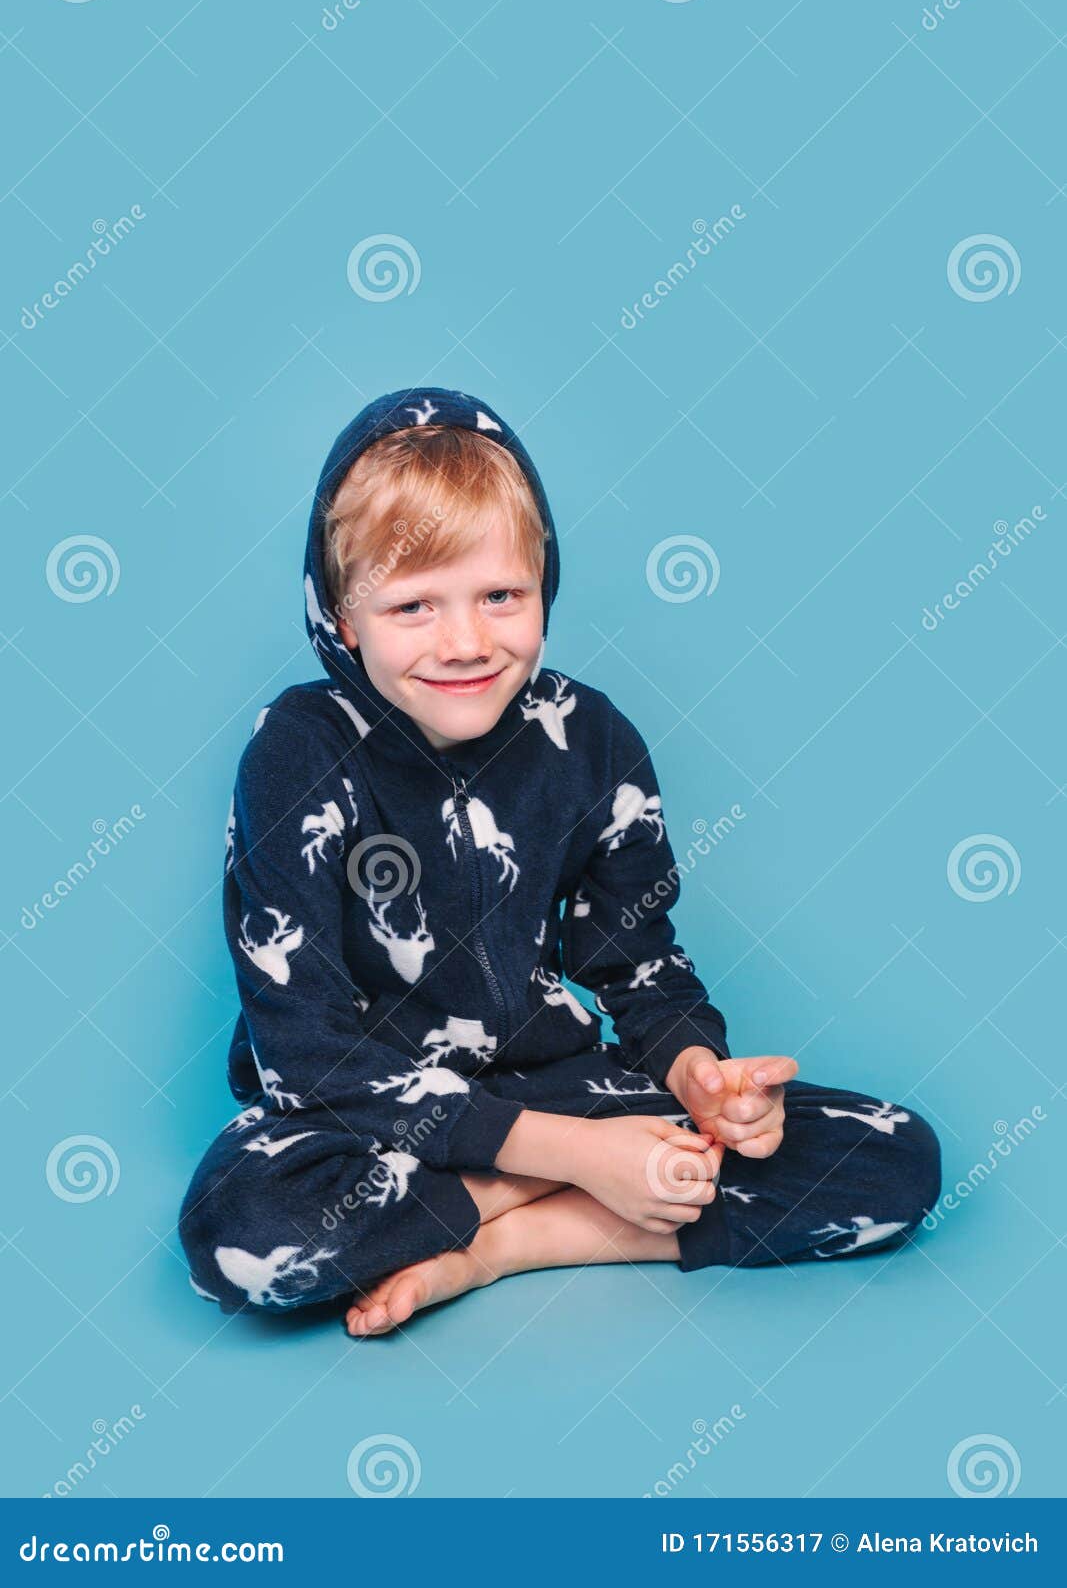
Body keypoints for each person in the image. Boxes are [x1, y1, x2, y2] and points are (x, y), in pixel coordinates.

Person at [178, 386, 941, 1335]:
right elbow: (308, 1053)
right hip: (364, 1122)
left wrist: (702, 1076)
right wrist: (577, 1156)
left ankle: (506, 1244)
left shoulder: (590, 739)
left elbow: (636, 968)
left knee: (895, 1159)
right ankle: (540, 1189)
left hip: (556, 1086)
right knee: (240, 1230)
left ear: (545, 582)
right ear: (341, 615)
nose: (466, 642)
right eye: (414, 605)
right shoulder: (296, 750)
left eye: (501, 595)